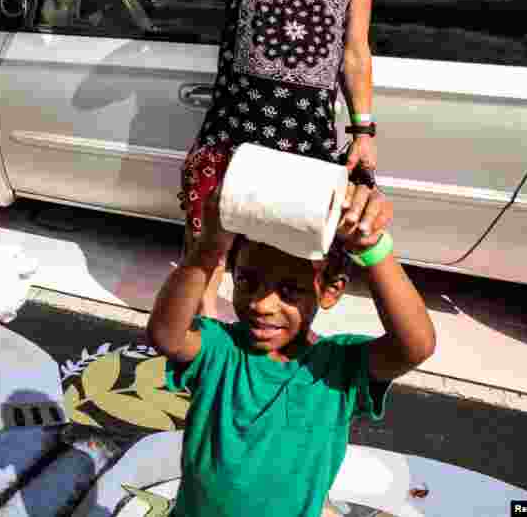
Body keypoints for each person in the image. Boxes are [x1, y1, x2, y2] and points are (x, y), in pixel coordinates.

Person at [146, 176, 436, 517]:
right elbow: (166, 335)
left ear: (331, 290)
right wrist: (209, 246)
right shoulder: (220, 348)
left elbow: (415, 346)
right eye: (246, 282)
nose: (261, 304)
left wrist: (372, 249)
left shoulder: (339, 365)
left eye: (288, 292)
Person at [181, 0, 378, 315]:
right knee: (208, 254)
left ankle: (271, 347)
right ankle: (202, 345)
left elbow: (354, 53)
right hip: (235, 131)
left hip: (306, 138)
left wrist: (363, 128)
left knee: (290, 265)